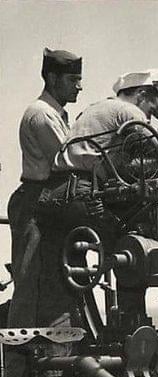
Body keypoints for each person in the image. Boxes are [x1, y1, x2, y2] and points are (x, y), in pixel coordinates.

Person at [7, 48, 82, 332]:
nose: (79, 85)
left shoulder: (56, 114)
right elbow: (67, 159)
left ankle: (53, 358)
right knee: (30, 282)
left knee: (54, 281)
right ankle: (16, 370)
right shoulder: (42, 115)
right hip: (36, 201)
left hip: (49, 201)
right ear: (52, 78)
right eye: (73, 79)